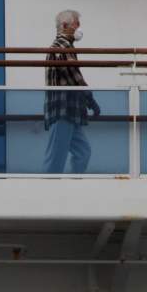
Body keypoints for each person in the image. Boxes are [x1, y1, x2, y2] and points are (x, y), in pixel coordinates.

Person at [43, 9, 100, 174]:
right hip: (63, 109)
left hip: (70, 110)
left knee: (83, 152)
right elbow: (75, 77)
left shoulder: (65, 46)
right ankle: (47, 192)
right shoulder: (62, 46)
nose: (79, 27)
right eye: (76, 23)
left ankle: (74, 186)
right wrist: (91, 100)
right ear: (65, 25)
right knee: (56, 157)